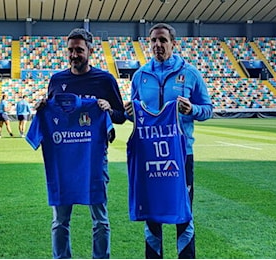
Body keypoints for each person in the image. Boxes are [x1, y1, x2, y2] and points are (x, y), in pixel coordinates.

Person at [33, 28, 126, 259]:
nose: (74, 55)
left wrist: (107, 109)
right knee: (60, 221)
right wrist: (43, 106)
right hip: (63, 163)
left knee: (100, 220)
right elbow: (54, 114)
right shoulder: (57, 80)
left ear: (90, 51)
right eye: (71, 50)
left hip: (93, 159)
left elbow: (121, 115)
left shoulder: (105, 79)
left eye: (79, 50)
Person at [124, 23, 213, 259]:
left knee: (184, 212)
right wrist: (127, 112)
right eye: (153, 40)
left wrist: (192, 108)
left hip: (181, 155)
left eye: (163, 40)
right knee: (152, 211)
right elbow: (130, 111)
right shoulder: (140, 75)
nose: (157, 45)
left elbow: (208, 109)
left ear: (174, 43)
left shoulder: (190, 73)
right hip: (149, 155)